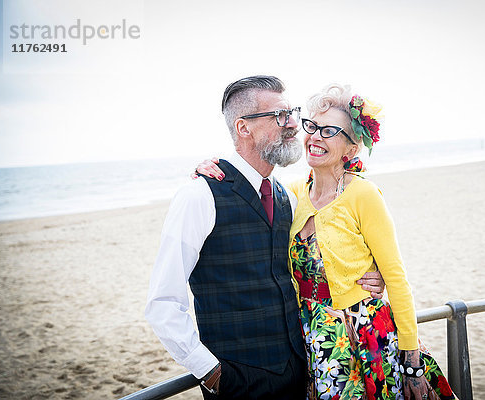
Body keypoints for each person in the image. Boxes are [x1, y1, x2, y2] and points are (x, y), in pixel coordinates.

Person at [196, 84, 455, 400]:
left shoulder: (364, 195)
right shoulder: (289, 195)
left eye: (330, 131)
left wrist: (412, 364)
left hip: (365, 335)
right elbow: (249, 187)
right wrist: (207, 168)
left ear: (351, 148)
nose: (315, 137)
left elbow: (398, 280)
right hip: (313, 339)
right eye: (312, 126)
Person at [145, 76, 385, 400]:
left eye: (292, 112)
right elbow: (163, 303)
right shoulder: (199, 196)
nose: (292, 125)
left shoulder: (287, 195)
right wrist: (212, 373)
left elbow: (319, 252)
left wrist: (371, 272)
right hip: (238, 384)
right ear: (243, 128)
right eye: (279, 116)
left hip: (301, 373)